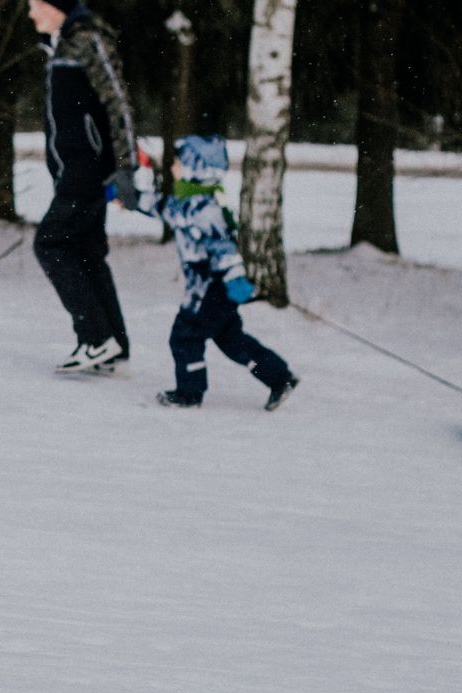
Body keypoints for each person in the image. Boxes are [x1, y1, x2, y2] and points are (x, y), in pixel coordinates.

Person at [135, 135, 300, 410]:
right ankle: (279, 376)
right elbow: (163, 208)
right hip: (211, 289)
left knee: (185, 335)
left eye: (178, 163)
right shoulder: (190, 201)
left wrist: (235, 279)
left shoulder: (205, 209)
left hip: (209, 287)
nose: (173, 167)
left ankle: (189, 393)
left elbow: (224, 248)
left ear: (195, 168)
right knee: (232, 340)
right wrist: (129, 198)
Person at [28, 0, 140, 376]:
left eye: (35, 5)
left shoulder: (88, 41)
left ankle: (95, 338)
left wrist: (126, 167)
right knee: (87, 251)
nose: (31, 15)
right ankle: (113, 345)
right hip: (74, 168)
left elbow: (118, 104)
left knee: (51, 243)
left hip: (86, 169)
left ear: (55, 6)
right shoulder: (62, 45)